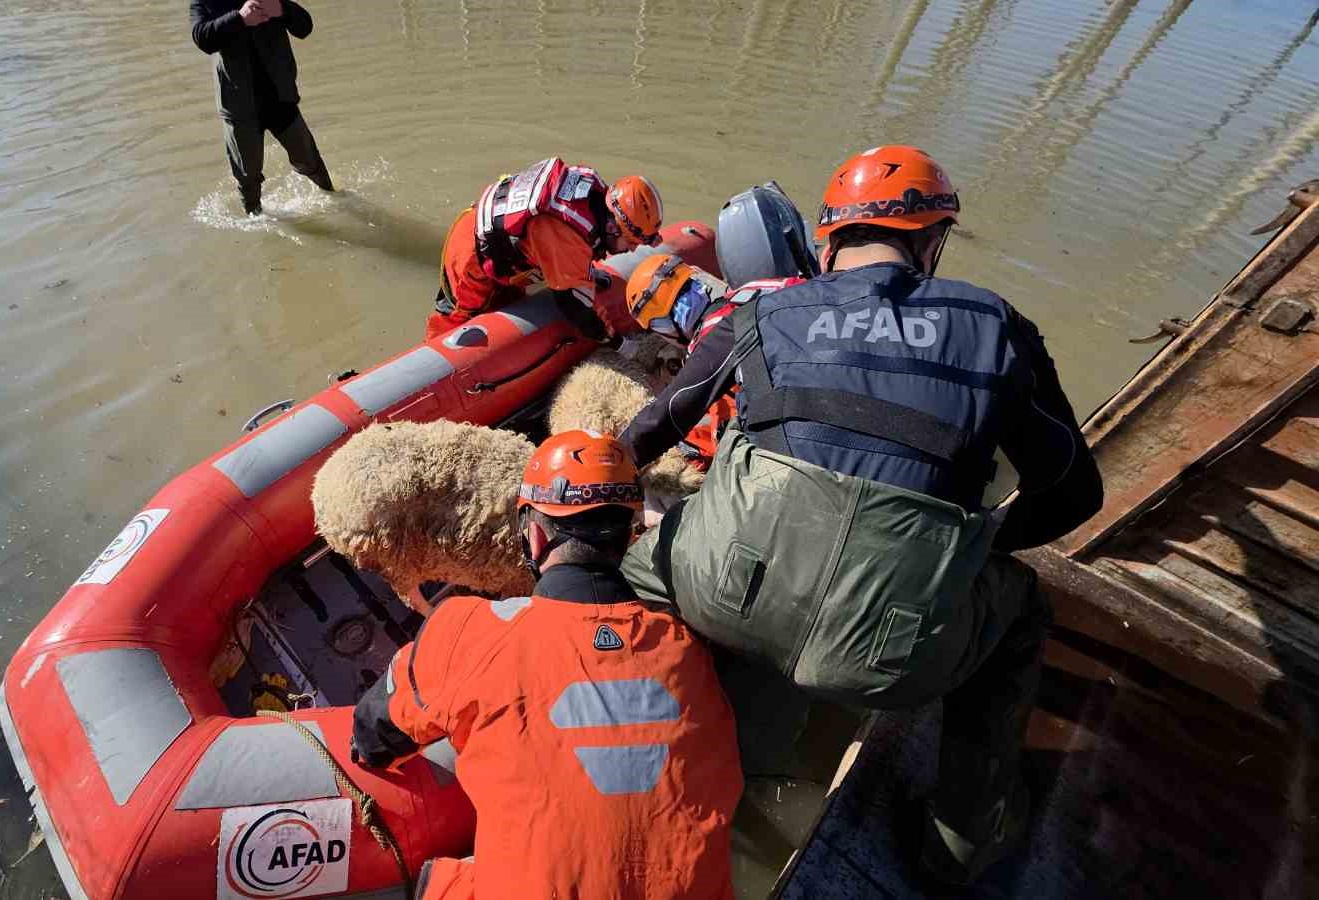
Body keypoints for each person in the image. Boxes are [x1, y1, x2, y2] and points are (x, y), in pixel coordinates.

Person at [618, 145, 1104, 886]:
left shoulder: (762, 312)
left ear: (826, 242)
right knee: (1023, 609)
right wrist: (966, 553)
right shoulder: (996, 327)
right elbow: (1073, 493)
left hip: (726, 590)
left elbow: (650, 431)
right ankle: (961, 844)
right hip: (893, 652)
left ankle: (611, 734)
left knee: (631, 563)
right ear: (931, 242)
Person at [352, 430, 743, 900]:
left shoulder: (467, 631)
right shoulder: (687, 649)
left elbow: (374, 737)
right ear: (630, 534)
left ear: (533, 534)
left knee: (440, 881)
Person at [622, 184, 819, 468]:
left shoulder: (716, 340)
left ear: (665, 327)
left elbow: (677, 413)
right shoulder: (763, 289)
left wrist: (620, 456)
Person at [425, 159, 664, 340]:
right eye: (631, 242)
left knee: (510, 303)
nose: (633, 249)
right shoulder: (569, 238)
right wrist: (614, 341)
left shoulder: (593, 188)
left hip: (499, 236)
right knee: (456, 325)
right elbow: (577, 309)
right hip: (470, 257)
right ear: (612, 227)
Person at [189, 0, 334, 216]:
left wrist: (282, 8)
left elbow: (305, 27)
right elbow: (202, 38)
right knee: (248, 179)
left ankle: (339, 201)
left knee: (310, 160)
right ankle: (255, 220)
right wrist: (240, 18)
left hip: (281, 99)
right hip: (239, 107)